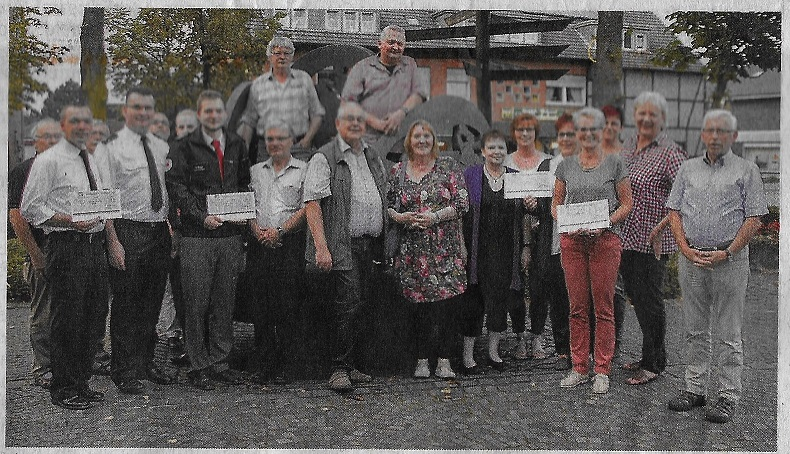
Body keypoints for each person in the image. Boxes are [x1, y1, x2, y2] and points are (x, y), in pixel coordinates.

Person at [665, 110, 767, 423]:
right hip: (692, 260)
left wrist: (729, 252)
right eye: (709, 130)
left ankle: (727, 395)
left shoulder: (746, 170)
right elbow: (674, 211)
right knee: (695, 329)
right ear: (702, 134)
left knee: (728, 331)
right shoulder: (687, 168)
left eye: (722, 131)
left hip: (730, 261)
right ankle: (695, 389)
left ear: (733, 136)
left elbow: (755, 218)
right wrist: (683, 248)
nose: (714, 136)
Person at [21, 105, 109, 410]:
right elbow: (32, 208)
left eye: (87, 120)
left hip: (92, 245)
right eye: (76, 121)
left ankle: (81, 381)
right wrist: (68, 220)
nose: (83, 126)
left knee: (93, 317)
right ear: (63, 124)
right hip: (66, 245)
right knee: (67, 320)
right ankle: (63, 388)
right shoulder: (48, 161)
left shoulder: (90, 159)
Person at [166, 90, 251, 390]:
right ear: (200, 113)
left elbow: (243, 183)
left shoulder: (237, 143)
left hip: (229, 236)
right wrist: (200, 216)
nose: (214, 116)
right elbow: (176, 189)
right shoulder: (184, 147)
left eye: (218, 111)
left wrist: (244, 214)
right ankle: (197, 364)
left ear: (224, 114)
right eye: (208, 111)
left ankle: (220, 360)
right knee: (196, 302)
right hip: (198, 236)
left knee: (224, 302)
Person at [96, 86, 174, 395]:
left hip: (157, 232)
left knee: (151, 303)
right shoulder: (111, 148)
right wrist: (113, 240)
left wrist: (168, 225)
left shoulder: (159, 146)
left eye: (148, 108)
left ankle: (144, 363)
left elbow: (163, 189)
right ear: (125, 111)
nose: (143, 113)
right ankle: (124, 370)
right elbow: (107, 200)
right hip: (127, 231)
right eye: (137, 108)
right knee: (127, 305)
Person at [552, 107, 633, 394]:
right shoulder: (565, 164)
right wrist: (568, 222)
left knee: (604, 307)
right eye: (582, 129)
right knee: (576, 307)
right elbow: (556, 205)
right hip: (573, 243)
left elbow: (626, 204)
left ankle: (602, 369)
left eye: (592, 129)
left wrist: (605, 223)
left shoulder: (615, 164)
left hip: (605, 242)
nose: (587, 134)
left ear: (602, 132)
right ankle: (579, 367)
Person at [303, 102, 383, 391]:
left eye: (360, 119)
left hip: (370, 245)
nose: (355, 124)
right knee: (346, 307)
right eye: (349, 119)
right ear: (338, 124)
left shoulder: (371, 155)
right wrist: (321, 247)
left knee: (362, 306)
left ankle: (352, 366)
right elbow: (312, 204)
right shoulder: (324, 158)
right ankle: (338, 369)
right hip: (342, 244)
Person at [386, 120, 468, 379]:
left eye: (427, 136)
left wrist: (435, 217)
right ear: (409, 142)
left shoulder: (448, 168)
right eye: (417, 136)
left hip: (445, 249)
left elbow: (462, 203)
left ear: (434, 141)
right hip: (412, 253)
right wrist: (402, 218)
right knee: (417, 308)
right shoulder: (397, 171)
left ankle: (444, 359)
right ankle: (421, 359)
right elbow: (388, 207)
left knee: (445, 308)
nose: (422, 140)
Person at [619, 92, 686, 385]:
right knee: (638, 298)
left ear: (663, 119)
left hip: (652, 243)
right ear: (635, 116)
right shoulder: (628, 147)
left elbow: (686, 195)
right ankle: (650, 353)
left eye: (653, 115)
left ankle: (654, 363)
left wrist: (664, 226)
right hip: (627, 238)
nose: (646, 119)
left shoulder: (671, 153)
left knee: (650, 301)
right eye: (641, 113)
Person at [247, 122, 307, 384]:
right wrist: (257, 231)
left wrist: (280, 231)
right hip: (259, 246)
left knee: (288, 308)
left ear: (291, 140)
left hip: (288, 246)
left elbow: (307, 209)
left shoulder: (303, 171)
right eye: (270, 139)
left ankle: (288, 366)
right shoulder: (255, 172)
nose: (274, 143)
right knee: (260, 310)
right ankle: (264, 366)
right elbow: (248, 206)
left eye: (280, 138)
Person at [460, 129, 522, 374]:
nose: (497, 152)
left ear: (507, 152)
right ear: (483, 151)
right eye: (492, 147)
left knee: (499, 301)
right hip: (477, 250)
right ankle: (467, 355)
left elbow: (527, 216)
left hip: (506, 252)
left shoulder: (516, 178)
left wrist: (530, 204)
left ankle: (494, 352)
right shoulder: (471, 175)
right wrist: (462, 247)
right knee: (473, 301)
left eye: (501, 148)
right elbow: (460, 213)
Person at [8, 118, 61, 389]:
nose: (53, 141)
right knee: (43, 312)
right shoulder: (24, 171)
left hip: (65, 252)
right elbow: (17, 217)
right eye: (47, 137)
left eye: (57, 136)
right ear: (35, 141)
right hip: (41, 251)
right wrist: (35, 254)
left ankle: (64, 363)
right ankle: (43, 367)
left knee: (64, 311)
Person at [503, 113, 552, 360]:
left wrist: (537, 205)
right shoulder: (506, 163)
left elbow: (554, 199)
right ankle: (520, 337)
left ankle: (538, 338)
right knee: (515, 286)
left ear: (535, 133)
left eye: (529, 130)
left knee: (539, 284)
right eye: (520, 130)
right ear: (514, 133)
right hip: (512, 234)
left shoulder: (548, 163)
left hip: (541, 233)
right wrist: (520, 204)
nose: (524, 134)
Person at [238, 36, 325, 163]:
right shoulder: (258, 85)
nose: (282, 57)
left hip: (298, 149)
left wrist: (307, 139)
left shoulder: (304, 80)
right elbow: (249, 121)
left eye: (286, 53)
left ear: (292, 56)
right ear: (269, 57)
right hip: (267, 150)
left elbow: (317, 114)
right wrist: (244, 153)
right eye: (277, 53)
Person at [341, 25, 429, 144]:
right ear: (379, 44)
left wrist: (401, 113)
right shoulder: (362, 67)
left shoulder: (410, 65)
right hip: (366, 140)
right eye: (391, 42)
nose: (395, 47)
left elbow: (420, 93)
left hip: (402, 141)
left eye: (400, 44)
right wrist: (375, 122)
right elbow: (347, 102)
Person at [600, 104, 628, 357]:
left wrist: (609, 220)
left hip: (620, 232)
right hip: (593, 234)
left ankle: (613, 345)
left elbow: (628, 198)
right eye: (605, 123)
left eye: (614, 124)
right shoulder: (592, 154)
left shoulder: (625, 156)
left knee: (615, 291)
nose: (609, 128)